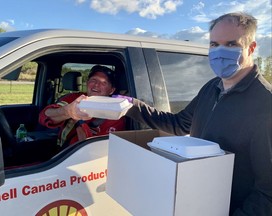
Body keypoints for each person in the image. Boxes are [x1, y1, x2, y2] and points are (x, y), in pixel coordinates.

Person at [112, 12, 271, 215]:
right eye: (214, 44)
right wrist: (132, 106)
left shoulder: (266, 104)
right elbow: (179, 124)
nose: (220, 52)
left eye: (231, 44)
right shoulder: (211, 88)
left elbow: (267, 193)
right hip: (197, 201)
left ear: (251, 47)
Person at [39, 65, 126, 149]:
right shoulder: (74, 99)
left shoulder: (116, 114)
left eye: (103, 82)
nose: (96, 85)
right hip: (62, 154)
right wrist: (67, 111)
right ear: (87, 83)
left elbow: (95, 149)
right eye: (93, 80)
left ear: (111, 90)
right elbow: (45, 116)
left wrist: (80, 124)